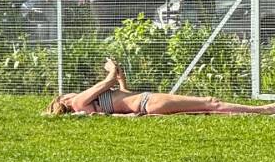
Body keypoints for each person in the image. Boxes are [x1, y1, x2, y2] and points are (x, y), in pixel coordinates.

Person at [48, 58, 275, 117]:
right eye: (65, 94)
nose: (71, 92)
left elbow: (122, 96)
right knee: (210, 102)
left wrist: (120, 79)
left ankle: (260, 110)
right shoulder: (78, 102)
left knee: (207, 107)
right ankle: (263, 110)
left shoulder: (86, 107)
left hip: (145, 103)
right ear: (63, 100)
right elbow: (106, 83)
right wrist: (110, 68)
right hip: (149, 102)